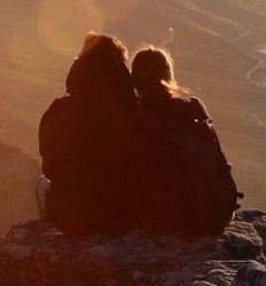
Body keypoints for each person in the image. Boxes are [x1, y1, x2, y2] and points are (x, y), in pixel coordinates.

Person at [37, 32, 142, 235]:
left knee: (42, 183)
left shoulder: (61, 110)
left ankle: (49, 235)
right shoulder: (134, 112)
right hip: (123, 214)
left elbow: (49, 166)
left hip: (74, 215)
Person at [130, 46, 241, 236]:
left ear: (135, 80)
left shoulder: (136, 118)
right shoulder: (194, 108)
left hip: (166, 218)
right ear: (169, 74)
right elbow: (219, 160)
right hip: (215, 213)